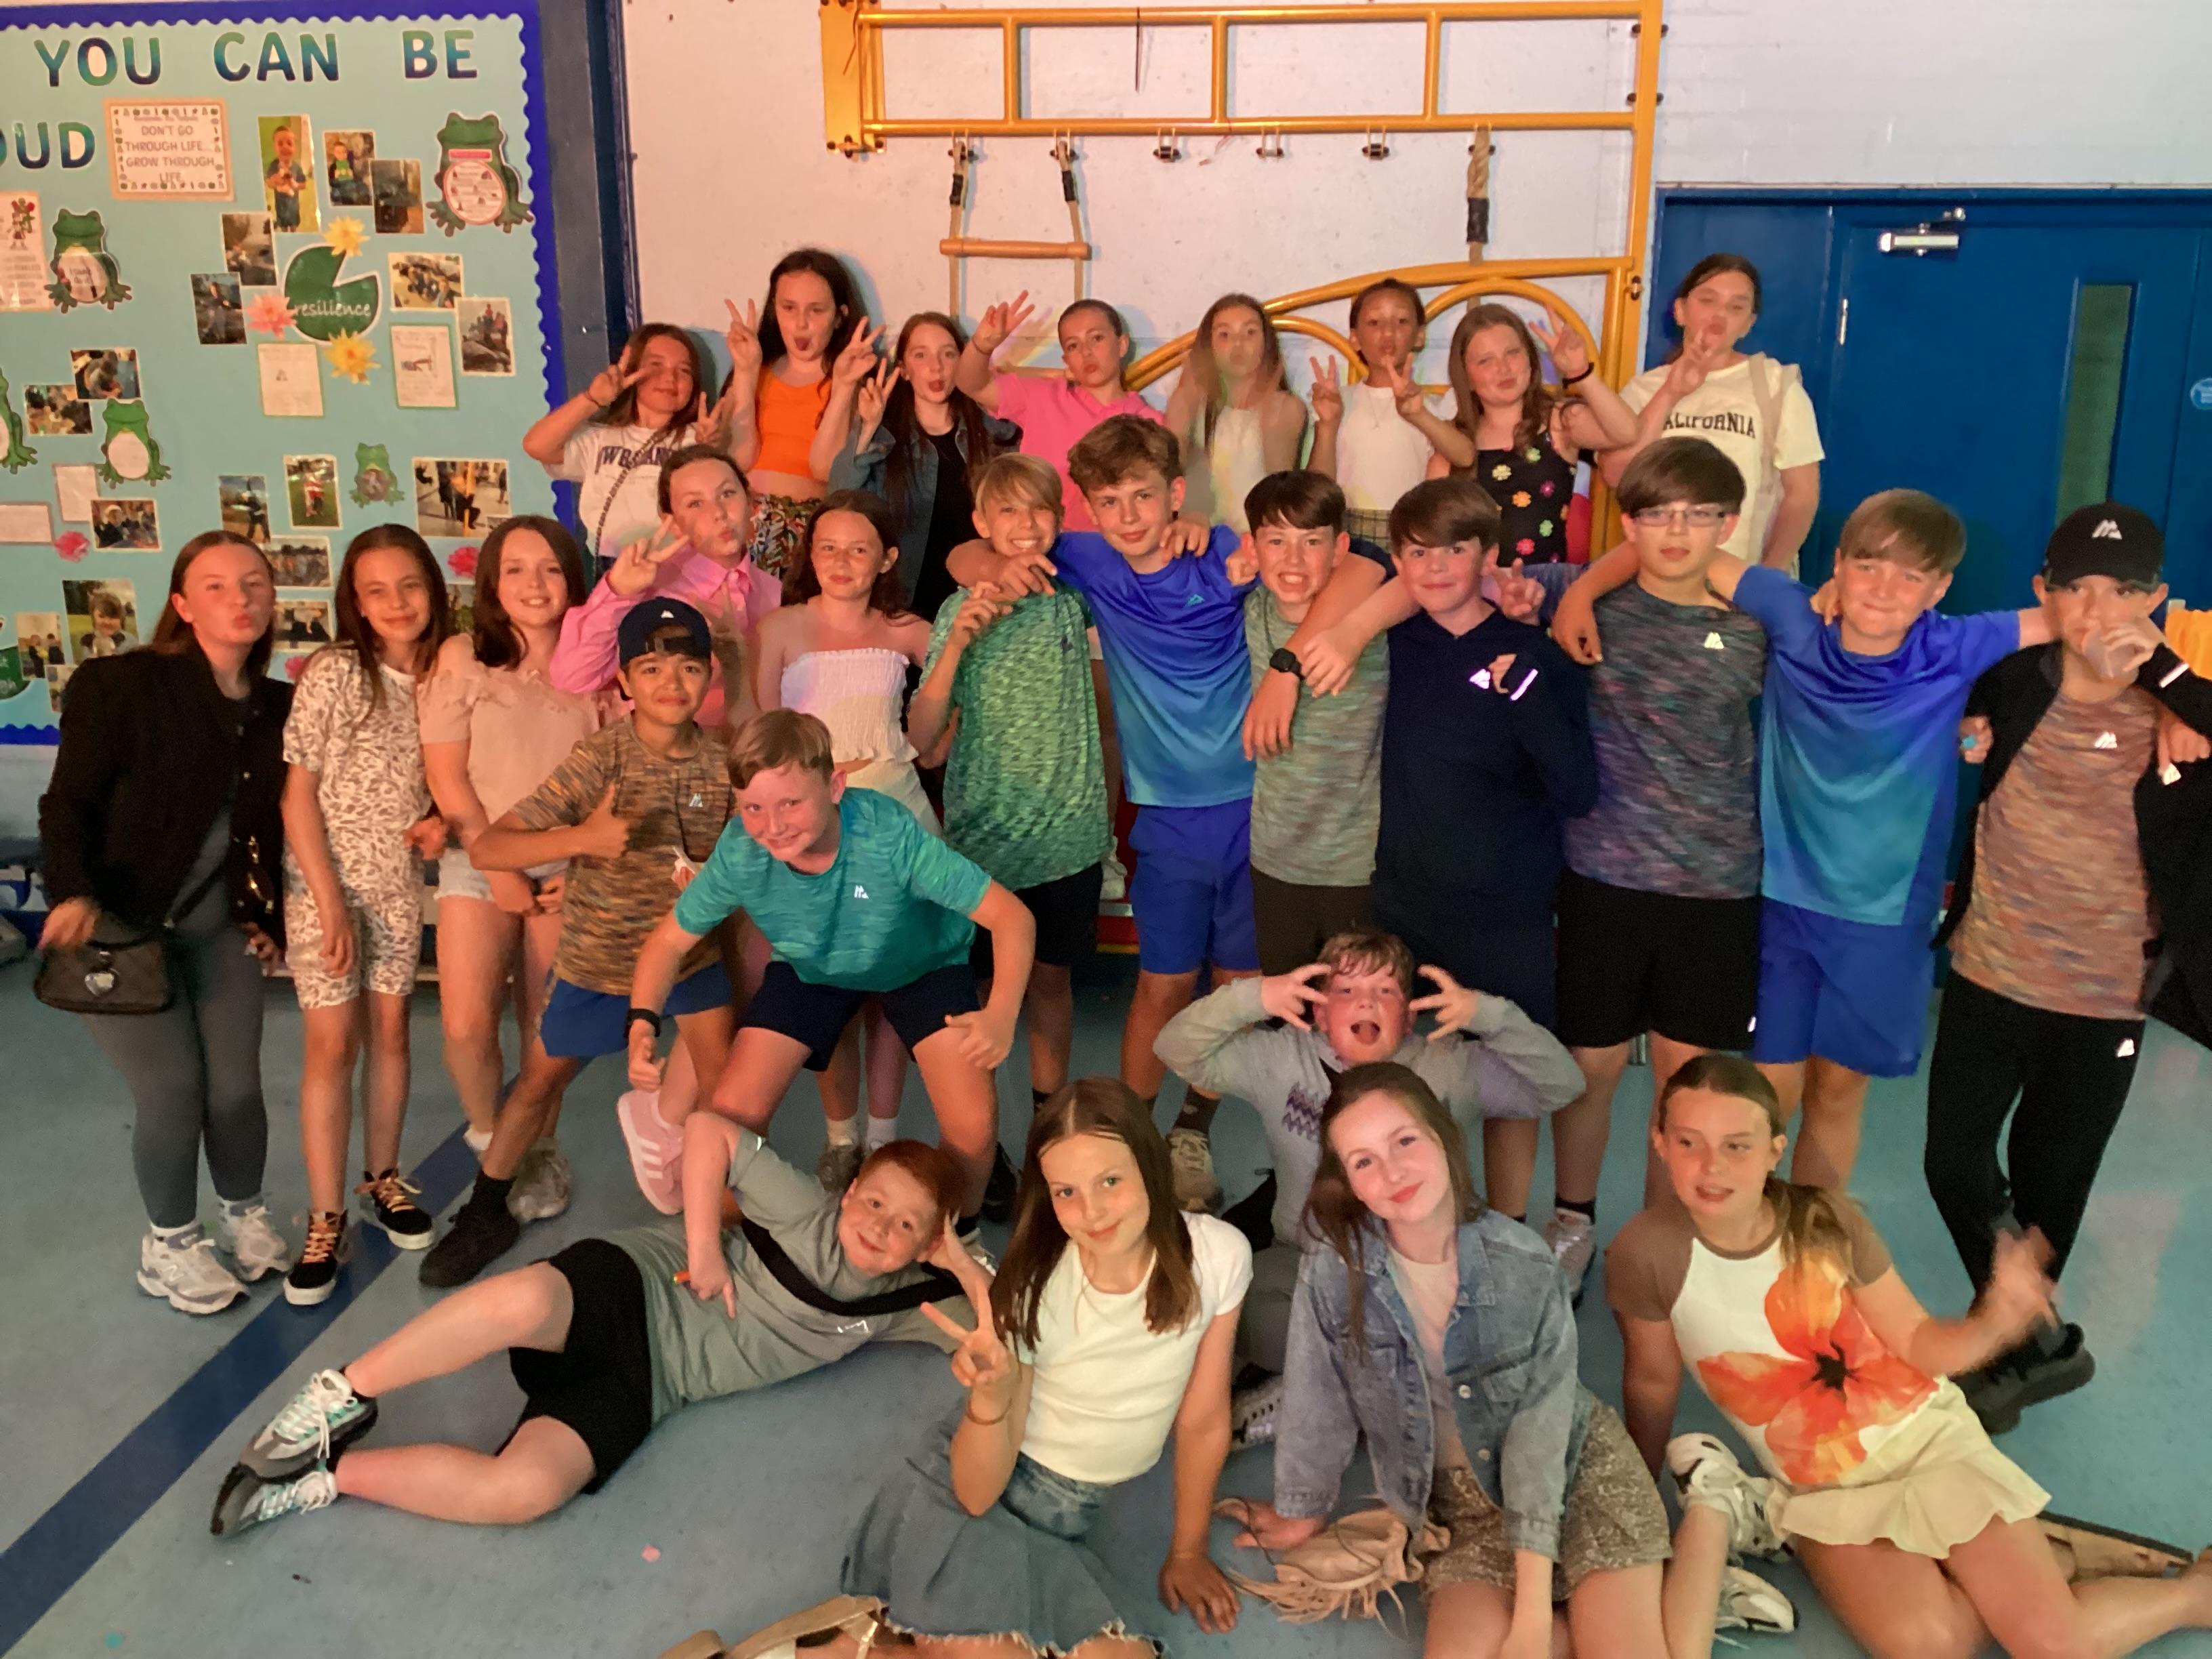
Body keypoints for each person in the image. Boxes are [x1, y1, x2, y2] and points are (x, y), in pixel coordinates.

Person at [1611, 1054, 2212, 1659]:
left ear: (1774, 1151)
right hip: (1824, 1493)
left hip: (1927, 1445)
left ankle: (2193, 1595)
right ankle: (2040, 1565)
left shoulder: (1825, 1220)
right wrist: (1638, 1503)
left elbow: (1918, 1341)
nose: (1711, 1167)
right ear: (1658, 1142)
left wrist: (1993, 1324)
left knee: (2056, 1647)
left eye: (1736, 1146)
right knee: (1929, 1647)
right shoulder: (1644, 1255)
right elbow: (1652, 1383)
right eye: (1689, 1142)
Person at [1555, 488, 2053, 1189]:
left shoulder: (1954, 645)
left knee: (1839, 1092)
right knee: (1763, 1098)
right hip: (1781, 905)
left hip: (1884, 919)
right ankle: (1746, 1236)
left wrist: (1993, 706)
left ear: (1939, 588)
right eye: (1869, 566)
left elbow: (2091, 618)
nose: (1885, 588)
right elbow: (1681, 548)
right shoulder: (1793, 616)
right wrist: (1580, 594)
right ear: (1838, 565)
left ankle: (1809, 1238)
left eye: (1911, 575)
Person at [1237, 1063, 1793, 1658]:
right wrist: (1302, 1509)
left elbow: (1538, 1441)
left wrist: (1530, 1620)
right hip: (1459, 1507)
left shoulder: (1523, 1263)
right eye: (1364, 1161)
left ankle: (1712, 1506)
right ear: (1348, 1182)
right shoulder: (1333, 1268)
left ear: (1444, 1138)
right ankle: (1664, 1599)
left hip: (1575, 1476)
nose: (1392, 1172)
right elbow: (1317, 1393)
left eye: (1405, 1141)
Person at [209, 1139, 974, 1532]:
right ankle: (338, 1397)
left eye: (909, 1225)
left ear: (930, 1242)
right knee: (520, 1300)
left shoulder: (913, 1299)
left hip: (654, 1384)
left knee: (526, 1491)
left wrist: (964, 1268)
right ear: (850, 1191)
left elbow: (1013, 1333)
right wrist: (703, 1246)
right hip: (638, 1283)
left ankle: (323, 1480)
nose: (880, 1228)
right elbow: (710, 1132)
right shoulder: (804, 1206)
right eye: (874, 1202)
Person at [947, 417, 1311, 1209]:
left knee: (1238, 985)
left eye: (1144, 496)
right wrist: (995, 568)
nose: (1129, 515)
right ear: (1088, 509)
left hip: (1259, 804)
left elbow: (1333, 569)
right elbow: (963, 554)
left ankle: (1191, 1132)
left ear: (1175, 492)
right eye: (1109, 501)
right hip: (1169, 816)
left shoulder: (1220, 548)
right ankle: (1137, 1135)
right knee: (1162, 984)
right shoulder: (1085, 557)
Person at [1928, 503, 2212, 1431]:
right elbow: (1927, 677)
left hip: (2103, 998)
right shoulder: (2013, 679)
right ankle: (2034, 1330)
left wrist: (2169, 682)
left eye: (2124, 591)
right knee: (1953, 1161)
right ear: (2042, 593)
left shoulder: (2181, 707)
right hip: (1990, 969)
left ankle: (2015, 1347)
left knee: (2054, 1181)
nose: (2099, 612)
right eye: (2078, 588)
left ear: (2157, 600)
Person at [830, 1078, 1248, 1655]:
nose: (1092, 1211)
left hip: (1061, 1521)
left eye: (1110, 1181)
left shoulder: (1220, 1256)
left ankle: (874, 1638)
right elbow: (976, 1495)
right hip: (966, 1497)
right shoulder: (1036, 1290)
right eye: (1066, 1191)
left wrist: (1187, 1551)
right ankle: (850, 1640)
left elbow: (1202, 1419)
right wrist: (990, 1396)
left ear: (1151, 1165)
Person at [1288, 476, 1595, 1221]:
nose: (1434, 568)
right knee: (1396, 1078)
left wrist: (1524, 693)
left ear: (1488, 556)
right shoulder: (1395, 642)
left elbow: (1579, 791)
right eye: (1418, 553)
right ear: (1400, 560)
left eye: (1455, 551)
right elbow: (1343, 580)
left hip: (1506, 913)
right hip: (1405, 905)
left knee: (1508, 1085)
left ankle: (1508, 1230)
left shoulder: (1533, 652)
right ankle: (1401, 1223)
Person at [418, 598, 737, 1288]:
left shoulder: (723, 763)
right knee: (539, 1083)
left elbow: (759, 840)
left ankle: (729, 1218)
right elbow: (493, 846)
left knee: (727, 1089)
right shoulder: (602, 757)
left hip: (689, 960)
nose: (671, 683)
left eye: (688, 668)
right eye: (651, 669)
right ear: (623, 680)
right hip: (598, 960)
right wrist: (583, 839)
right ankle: (485, 1209)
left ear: (709, 675)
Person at [618, 709, 1036, 1229]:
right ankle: (737, 1244)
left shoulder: (887, 836)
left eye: (791, 803)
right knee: (726, 1116)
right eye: (753, 808)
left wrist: (1001, 1014)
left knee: (973, 1127)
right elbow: (666, 942)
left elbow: (1011, 917)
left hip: (923, 965)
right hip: (812, 968)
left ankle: (961, 1238)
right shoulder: (743, 849)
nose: (772, 826)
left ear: (835, 787)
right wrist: (642, 1020)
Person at [1155, 928, 1582, 1419]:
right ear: (1319, 1013)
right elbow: (1173, 1047)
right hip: (1308, 1261)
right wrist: (1254, 998)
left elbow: (1562, 1085)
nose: (1367, 1003)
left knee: (1498, 1326)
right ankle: (1375, 1390)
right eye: (1347, 990)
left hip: (1421, 1274)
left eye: (1386, 991)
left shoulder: (1446, 1066)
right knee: (1237, 1311)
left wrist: (1490, 1016)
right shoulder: (1281, 1059)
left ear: (1408, 1019)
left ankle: (1321, 1390)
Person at [37, 532, 293, 1315]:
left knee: (237, 1089)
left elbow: (274, 828)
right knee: (175, 1090)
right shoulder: (122, 685)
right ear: (182, 604)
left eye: (254, 583)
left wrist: (269, 918)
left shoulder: (278, 707)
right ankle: (171, 1244)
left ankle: (245, 1217)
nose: (240, 598)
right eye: (216, 585)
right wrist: (72, 893)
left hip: (221, 929)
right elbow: (67, 803)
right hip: (118, 929)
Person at [1545, 437, 1766, 1298]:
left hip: (1715, 886)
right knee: (1590, 1068)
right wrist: (1576, 592)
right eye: (1658, 514)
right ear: (1629, 523)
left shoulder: (1759, 625)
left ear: (1728, 524)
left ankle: (1660, 1242)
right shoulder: (1580, 596)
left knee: (1687, 1081)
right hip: (1602, 874)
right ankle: (1573, 1223)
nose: (1677, 531)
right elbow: (1462, 577)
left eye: (1699, 514)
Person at [908, 454, 1113, 1206]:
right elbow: (921, 735)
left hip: (1067, 835)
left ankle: (1045, 1135)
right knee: (980, 995)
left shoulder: (1074, 600)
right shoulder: (958, 609)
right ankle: (981, 1144)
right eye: (1009, 512)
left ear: (1059, 519)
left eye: (1040, 510)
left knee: (1051, 985)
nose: (1026, 526)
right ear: (982, 524)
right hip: (982, 840)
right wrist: (959, 642)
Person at [279, 526, 450, 1307]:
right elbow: (297, 797)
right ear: (354, 599)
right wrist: (328, 903)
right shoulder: (337, 672)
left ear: (433, 588)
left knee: (392, 1033)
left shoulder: (447, 673)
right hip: (326, 888)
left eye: (409, 585)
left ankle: (382, 1179)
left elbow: (450, 775)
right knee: (332, 1045)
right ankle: (325, 1217)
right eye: (376, 590)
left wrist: (441, 821)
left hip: (396, 886)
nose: (396, 603)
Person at [754, 491, 937, 1184]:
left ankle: (884, 1134)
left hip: (897, 817)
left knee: (892, 992)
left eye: (859, 548)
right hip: (813, 829)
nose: (841, 561)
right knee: (827, 985)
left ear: (886, 558)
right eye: (827, 547)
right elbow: (761, 734)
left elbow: (952, 700)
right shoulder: (781, 626)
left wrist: (935, 738)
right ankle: (841, 1137)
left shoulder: (907, 630)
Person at [419, 516, 599, 1220]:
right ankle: (491, 1136)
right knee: (466, 1024)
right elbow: (447, 774)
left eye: (551, 568)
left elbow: (616, 773)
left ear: (573, 581)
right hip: (480, 854)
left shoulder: (597, 662)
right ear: (492, 583)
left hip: (568, 861)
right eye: (516, 569)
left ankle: (540, 1147)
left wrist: (583, 864)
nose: (535, 584)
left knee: (545, 1028)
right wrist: (495, 863)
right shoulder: (464, 657)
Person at [1237, 471, 1389, 979]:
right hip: (1275, 857)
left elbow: (1389, 571)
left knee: (1358, 1008)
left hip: (1357, 863)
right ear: (1252, 547)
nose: (1294, 559)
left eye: (1312, 542)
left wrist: (1288, 667)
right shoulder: (1249, 609)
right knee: (1288, 1008)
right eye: (1276, 541)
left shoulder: (1372, 619)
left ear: (1340, 548)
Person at [1607, 254, 1822, 573]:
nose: (1719, 315)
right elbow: (1616, 476)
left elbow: (1802, 495)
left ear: (1749, 323)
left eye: (1736, 307)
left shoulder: (1777, 385)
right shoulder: (1644, 389)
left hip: (1741, 576)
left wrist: (1767, 576)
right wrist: (1671, 393)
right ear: (1680, 311)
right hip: (1654, 577)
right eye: (1708, 301)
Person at [551, 444, 779, 735]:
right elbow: (573, 678)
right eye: (695, 504)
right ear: (672, 522)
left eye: (727, 494)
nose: (719, 513)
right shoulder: (647, 588)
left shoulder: (774, 592)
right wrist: (618, 591)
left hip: (754, 750)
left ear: (750, 500)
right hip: (662, 755)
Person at [827, 310, 1018, 623]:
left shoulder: (993, 433)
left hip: (979, 602)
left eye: (948, 354)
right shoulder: (883, 438)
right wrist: (868, 428)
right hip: (905, 608)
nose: (936, 366)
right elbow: (839, 501)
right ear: (903, 370)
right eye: (921, 355)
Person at [1444, 302, 1640, 565]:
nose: (1503, 368)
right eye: (1485, 361)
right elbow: (1436, 533)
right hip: (1475, 587)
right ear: (1466, 377)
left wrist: (1580, 373)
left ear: (1531, 359)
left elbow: (1627, 433)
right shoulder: (1454, 440)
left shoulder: (1559, 420)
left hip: (1545, 583)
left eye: (1512, 352)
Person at [954, 292, 1162, 533]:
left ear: (1122, 344)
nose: (1086, 352)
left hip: (1117, 549)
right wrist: (982, 346)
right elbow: (973, 385)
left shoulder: (1151, 424)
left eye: (1097, 338)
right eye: (1073, 345)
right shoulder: (1041, 397)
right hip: (1038, 542)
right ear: (1066, 359)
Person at [720, 247, 869, 578]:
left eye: (816, 310)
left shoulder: (852, 376)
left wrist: (843, 386)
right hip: (740, 520)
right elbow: (738, 460)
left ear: (839, 316)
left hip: (805, 527)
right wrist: (746, 372)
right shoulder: (756, 368)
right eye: (789, 308)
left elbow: (825, 469)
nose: (801, 324)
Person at [523, 323, 717, 571]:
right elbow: (536, 445)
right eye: (656, 365)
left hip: (676, 568)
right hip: (607, 567)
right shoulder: (600, 436)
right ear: (632, 370)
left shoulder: (699, 439)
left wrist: (711, 449)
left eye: (684, 370)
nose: (670, 378)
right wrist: (593, 399)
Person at [1305, 277, 1461, 547]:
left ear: (1420, 335)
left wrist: (1421, 414)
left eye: (1401, 321)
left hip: (1411, 535)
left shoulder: (1435, 406)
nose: (1388, 333)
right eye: (1374, 323)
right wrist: (1328, 425)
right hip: (1346, 539)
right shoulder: (1335, 401)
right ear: (1355, 338)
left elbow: (1464, 456)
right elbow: (1316, 489)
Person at [1164, 293, 1307, 532]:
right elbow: (1167, 478)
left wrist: (1272, 429)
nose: (1238, 344)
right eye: (1225, 335)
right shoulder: (1188, 401)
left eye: (1250, 333)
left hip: (1260, 540)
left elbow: (1280, 493)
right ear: (1209, 345)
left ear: (1267, 343)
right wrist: (1182, 413)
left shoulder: (1287, 407)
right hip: (1198, 538)